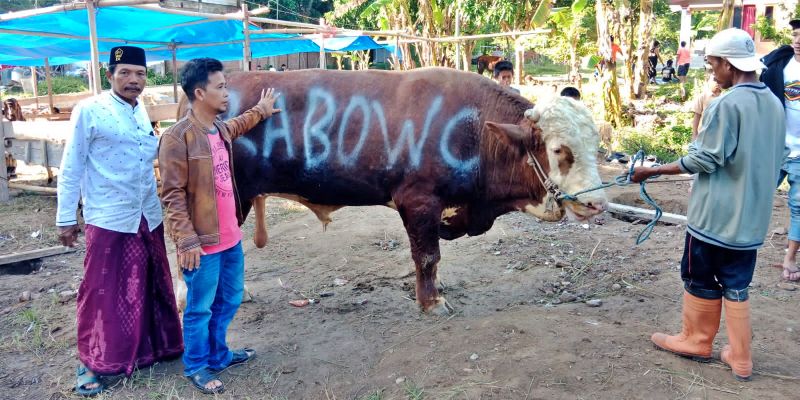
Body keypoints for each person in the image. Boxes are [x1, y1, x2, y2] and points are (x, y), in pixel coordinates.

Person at [630, 28, 785, 382]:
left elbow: (704, 159)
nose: (712, 72)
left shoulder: (726, 105)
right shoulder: (775, 104)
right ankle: (740, 356)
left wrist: (651, 171)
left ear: (729, 65)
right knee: (736, 282)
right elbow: (780, 157)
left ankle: (696, 341)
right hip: (750, 223)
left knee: (698, 276)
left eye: (713, 64)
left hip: (714, 219)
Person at [56, 46, 183, 397]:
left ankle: (152, 350)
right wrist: (66, 218)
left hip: (147, 215)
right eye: (125, 72)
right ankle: (92, 362)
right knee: (102, 292)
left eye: (140, 74)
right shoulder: (90, 110)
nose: (134, 80)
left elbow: (149, 154)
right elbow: (71, 167)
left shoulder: (141, 109)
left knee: (149, 285)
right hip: (109, 217)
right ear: (109, 75)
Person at [158, 58, 281, 394]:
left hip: (229, 238)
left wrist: (262, 110)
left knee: (228, 299)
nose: (226, 93)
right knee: (199, 308)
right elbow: (171, 195)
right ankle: (196, 366)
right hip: (202, 244)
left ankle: (219, 354)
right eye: (220, 87)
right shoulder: (176, 138)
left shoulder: (218, 129)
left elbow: (239, 123)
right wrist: (186, 241)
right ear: (200, 92)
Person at [762, 18, 800, 282]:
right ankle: (739, 247)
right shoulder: (778, 66)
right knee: (755, 194)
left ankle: (790, 257)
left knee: (798, 206)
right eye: (796, 35)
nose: (798, 41)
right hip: (775, 147)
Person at [691, 67, 722, 141]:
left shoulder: (724, 97)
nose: (717, 83)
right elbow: (697, 116)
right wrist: (695, 134)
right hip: (703, 134)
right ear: (708, 82)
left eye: (719, 81)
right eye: (714, 80)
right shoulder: (703, 97)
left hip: (719, 136)